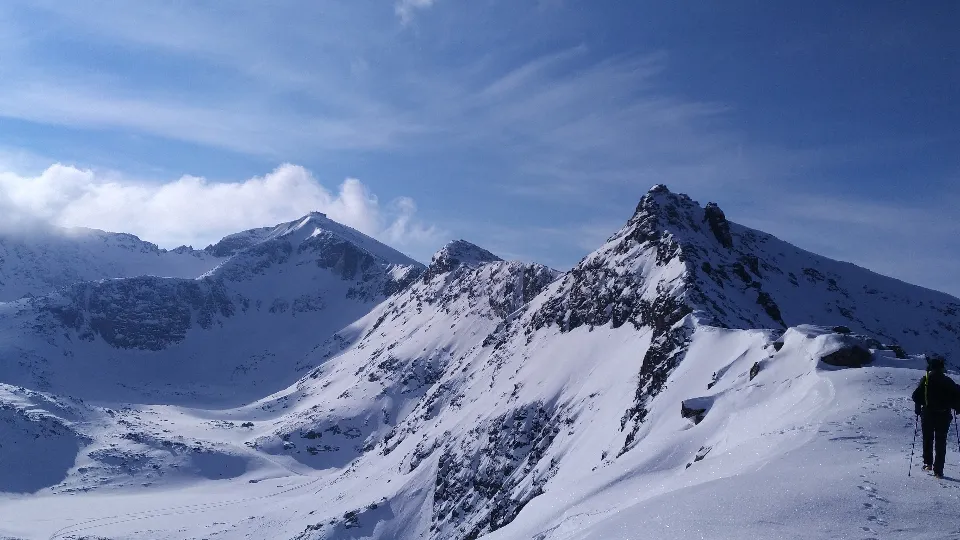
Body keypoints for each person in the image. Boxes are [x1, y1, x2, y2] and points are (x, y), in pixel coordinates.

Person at [912, 354, 960, 478]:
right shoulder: (948, 381)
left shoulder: (926, 379)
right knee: (941, 442)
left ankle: (928, 463)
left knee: (927, 439)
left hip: (927, 414)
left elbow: (917, 396)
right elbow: (956, 395)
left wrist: (918, 410)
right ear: (941, 368)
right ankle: (938, 471)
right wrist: (957, 408)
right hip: (943, 415)